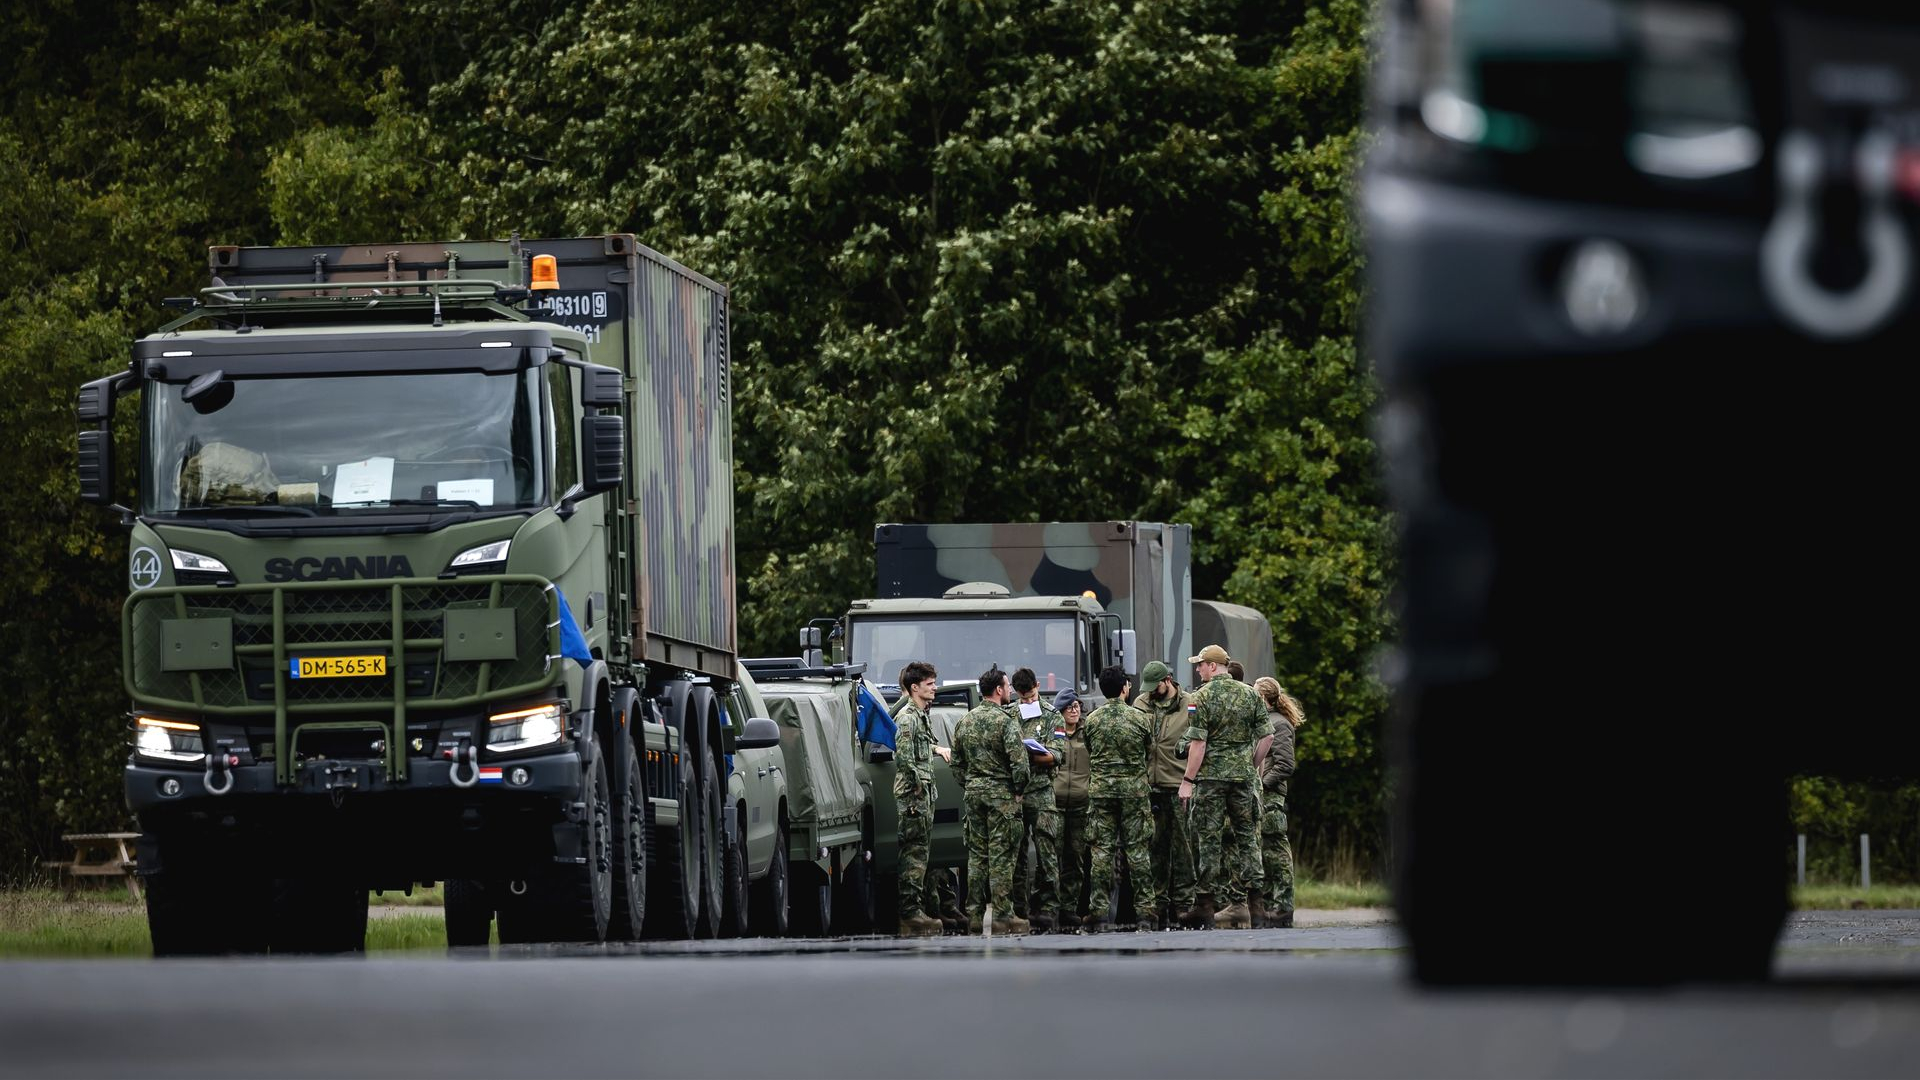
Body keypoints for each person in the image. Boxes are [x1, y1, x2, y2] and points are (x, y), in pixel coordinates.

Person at [1177, 644, 1264, 929]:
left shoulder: (1198, 697)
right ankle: (1256, 905)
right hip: (1242, 778)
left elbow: (1198, 744)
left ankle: (1204, 905)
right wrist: (1250, 765)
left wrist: (1188, 780)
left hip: (1211, 779)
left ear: (1213, 666)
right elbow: (1268, 737)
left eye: (1201, 664)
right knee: (1247, 838)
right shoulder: (1251, 693)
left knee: (1209, 841)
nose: (1198, 669)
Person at [949, 667, 1031, 935]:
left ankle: (974, 915)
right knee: (1002, 856)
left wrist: (971, 783)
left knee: (976, 857)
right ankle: (1002, 915)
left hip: (974, 795)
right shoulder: (1006, 722)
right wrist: (1018, 789)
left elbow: (957, 763)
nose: (1009, 691)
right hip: (1001, 798)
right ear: (998, 690)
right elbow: (1020, 764)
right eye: (1007, 687)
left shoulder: (965, 721)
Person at [1082, 667, 1156, 932]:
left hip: (1102, 792)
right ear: (1125, 687)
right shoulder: (1140, 718)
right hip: (1134, 791)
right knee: (1137, 851)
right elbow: (1149, 749)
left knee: (1101, 852)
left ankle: (1098, 911)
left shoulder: (1091, 719)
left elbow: (1089, 749)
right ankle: (1146, 912)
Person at [1134, 659, 1197, 926]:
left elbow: (1199, 740)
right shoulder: (1141, 703)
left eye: (1155, 686)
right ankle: (1159, 904)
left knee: (1184, 847)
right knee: (1154, 847)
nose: (1150, 691)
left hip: (1178, 783)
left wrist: (1190, 780)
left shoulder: (1190, 704)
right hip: (1150, 785)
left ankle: (1184, 905)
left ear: (1167, 681)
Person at [893, 660, 949, 936]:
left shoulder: (921, 715)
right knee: (913, 855)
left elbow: (923, 748)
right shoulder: (908, 717)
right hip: (914, 797)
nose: (934, 688)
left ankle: (919, 910)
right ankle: (910, 913)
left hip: (924, 795)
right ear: (915, 688)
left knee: (921, 853)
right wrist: (917, 786)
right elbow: (903, 756)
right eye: (929, 684)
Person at [1008, 666, 1063, 930]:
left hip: (1042, 793)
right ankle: (1020, 909)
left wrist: (1028, 755)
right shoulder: (1009, 715)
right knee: (1017, 856)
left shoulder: (1053, 715)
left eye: (1031, 695)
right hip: (1017, 794)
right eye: (1024, 697)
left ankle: (1049, 908)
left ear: (1038, 686)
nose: (1029, 700)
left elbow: (1056, 755)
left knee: (1047, 853)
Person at [1254, 676, 1303, 929]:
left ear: (1264, 697)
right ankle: (1270, 904)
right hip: (1261, 795)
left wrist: (1261, 784)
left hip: (1271, 796)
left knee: (1276, 852)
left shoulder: (1280, 725)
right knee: (1263, 852)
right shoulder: (1263, 722)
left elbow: (1285, 764)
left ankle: (1283, 907)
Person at [1051, 687, 1092, 929]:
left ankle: (1069, 907)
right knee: (1052, 859)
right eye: (1069, 707)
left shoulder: (1088, 733)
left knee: (1075, 859)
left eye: (1077, 706)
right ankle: (1051, 906)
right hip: (1055, 805)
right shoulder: (1053, 733)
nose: (1074, 710)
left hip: (1080, 804)